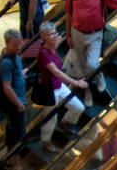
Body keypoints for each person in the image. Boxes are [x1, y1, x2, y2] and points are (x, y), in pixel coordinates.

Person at [34, 21, 87, 150]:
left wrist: (72, 33)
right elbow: (56, 72)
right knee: (50, 118)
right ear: (43, 36)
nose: (54, 36)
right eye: (51, 34)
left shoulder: (52, 46)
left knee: (79, 107)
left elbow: (62, 39)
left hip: (59, 87)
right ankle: (46, 141)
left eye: (55, 33)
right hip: (50, 90)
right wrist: (76, 83)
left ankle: (65, 122)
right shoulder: (43, 52)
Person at [0, 28, 28, 170]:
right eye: (15, 45)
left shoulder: (13, 57)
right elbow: (6, 87)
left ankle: (11, 159)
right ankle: (15, 162)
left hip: (17, 101)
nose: (18, 48)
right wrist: (19, 104)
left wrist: (20, 74)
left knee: (13, 131)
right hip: (14, 105)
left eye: (20, 44)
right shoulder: (6, 62)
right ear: (7, 43)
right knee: (17, 134)